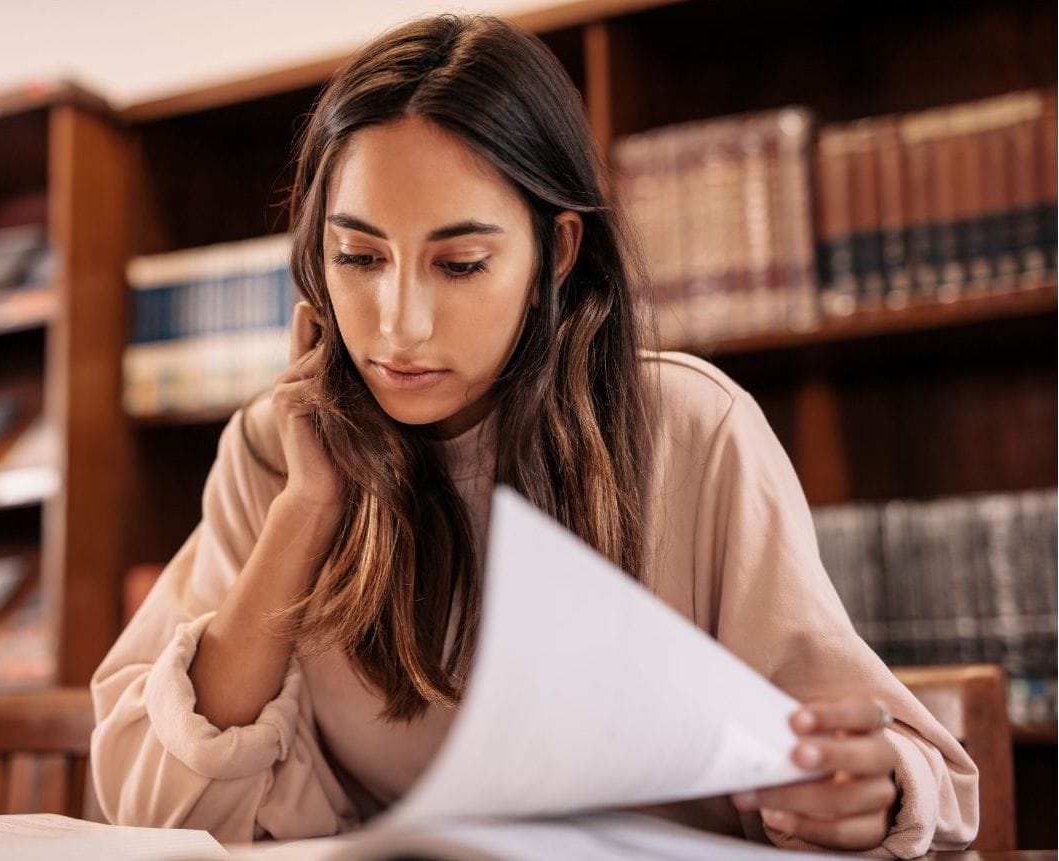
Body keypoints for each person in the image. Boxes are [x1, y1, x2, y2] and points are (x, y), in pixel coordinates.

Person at [91, 14, 977, 856]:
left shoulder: (690, 430)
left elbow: (892, 768)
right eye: (358, 258)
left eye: (460, 264)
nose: (397, 326)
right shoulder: (276, 450)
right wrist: (307, 508)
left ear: (554, 252)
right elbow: (159, 803)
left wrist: (862, 792)